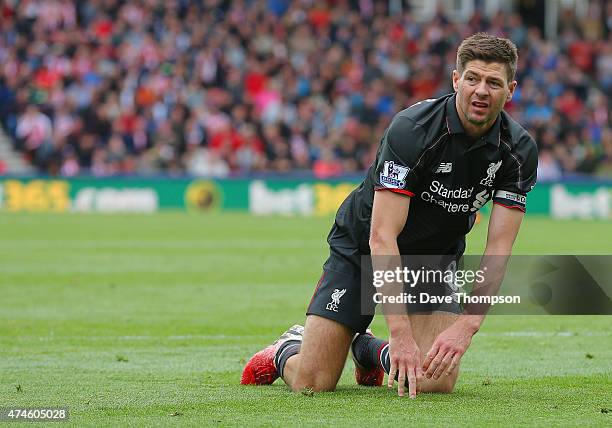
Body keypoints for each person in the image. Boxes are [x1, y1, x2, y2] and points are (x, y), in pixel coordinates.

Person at [241, 33, 537, 398]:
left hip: (433, 256)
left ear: (510, 90)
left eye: (494, 83)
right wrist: (400, 334)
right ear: (456, 80)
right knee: (313, 382)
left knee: (434, 382)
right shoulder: (413, 129)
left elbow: (499, 247)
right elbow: (382, 236)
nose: (481, 91)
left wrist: (468, 325)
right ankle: (287, 347)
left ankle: (366, 348)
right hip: (364, 246)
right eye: (473, 78)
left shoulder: (519, 150)